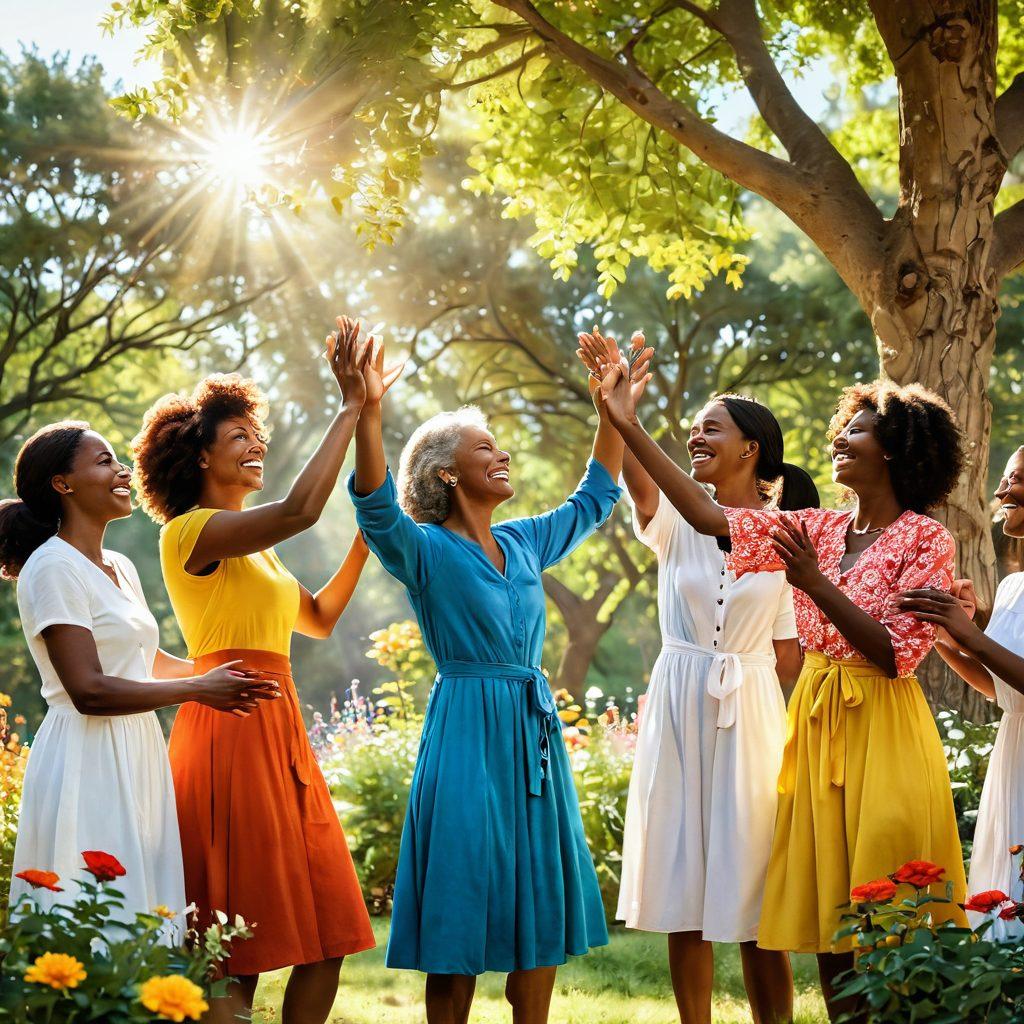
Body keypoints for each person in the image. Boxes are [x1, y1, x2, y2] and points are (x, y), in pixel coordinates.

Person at [594, 355, 967, 1022]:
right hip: (817, 724)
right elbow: (710, 521)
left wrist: (817, 585)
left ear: (895, 449)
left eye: (854, 432)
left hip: (882, 725)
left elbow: (898, 656)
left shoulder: (927, 539)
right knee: (826, 905)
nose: (837, 439)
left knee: (884, 898)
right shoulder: (818, 528)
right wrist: (625, 422)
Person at [349, 327, 651, 1024]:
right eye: (485, 447)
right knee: (459, 902)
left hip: (530, 733)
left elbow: (597, 497)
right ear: (446, 473)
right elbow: (372, 505)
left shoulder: (522, 542)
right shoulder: (421, 549)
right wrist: (368, 414)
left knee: (537, 900)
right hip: (463, 731)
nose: (502, 452)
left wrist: (612, 413)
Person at [131, 319, 382, 1024]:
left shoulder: (261, 553)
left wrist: (366, 543)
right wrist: (348, 408)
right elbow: (303, 509)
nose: (257, 445)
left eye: (256, 434)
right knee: (232, 949)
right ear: (200, 456)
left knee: (331, 930)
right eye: (239, 436)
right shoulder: (189, 535)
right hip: (227, 732)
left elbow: (321, 619)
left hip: (282, 731)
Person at [579, 333, 816, 1024]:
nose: (696, 436)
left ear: (751, 448)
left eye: (711, 428)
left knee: (753, 893)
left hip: (753, 714)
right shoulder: (674, 521)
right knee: (685, 889)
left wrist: (777, 729)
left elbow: (790, 654)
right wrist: (613, 408)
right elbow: (643, 481)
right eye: (692, 430)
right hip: (679, 703)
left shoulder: (787, 532)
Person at [2, 422, 277, 932]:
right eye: (104, 462)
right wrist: (198, 690)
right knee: (92, 911)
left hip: (138, 748)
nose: (122, 471)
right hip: (87, 755)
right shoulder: (52, 568)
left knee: (143, 910)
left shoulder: (121, 566)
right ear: (63, 484)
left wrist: (221, 671)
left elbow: (143, 662)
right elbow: (87, 689)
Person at [900, 445, 1024, 941]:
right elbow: (1002, 690)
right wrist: (947, 637)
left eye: (1015, 478)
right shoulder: (1015, 586)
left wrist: (970, 633)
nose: (1000, 488)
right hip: (1013, 754)